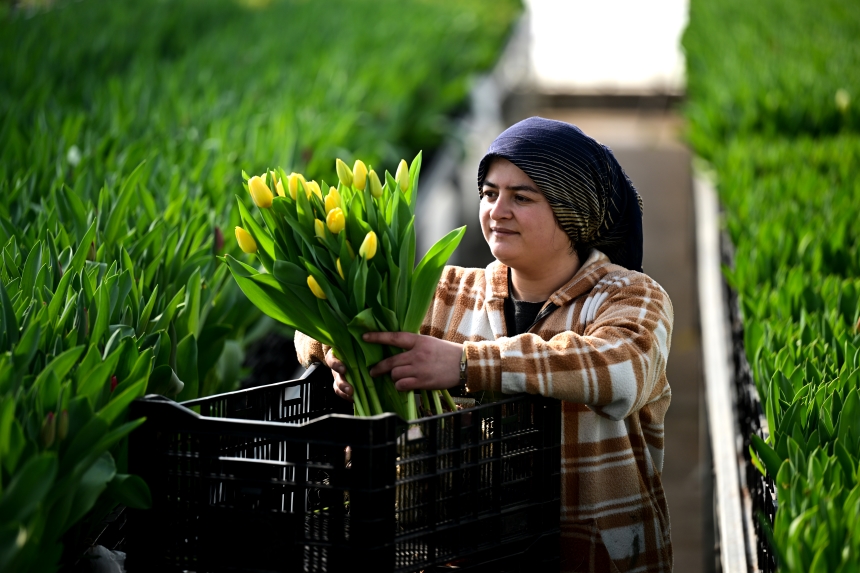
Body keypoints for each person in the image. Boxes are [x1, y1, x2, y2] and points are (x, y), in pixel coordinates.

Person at [295, 117, 674, 573]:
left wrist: (465, 364)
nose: (498, 210)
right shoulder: (444, 290)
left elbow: (620, 372)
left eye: (522, 197)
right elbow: (324, 321)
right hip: (460, 552)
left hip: (591, 552)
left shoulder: (630, 296)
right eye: (490, 193)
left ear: (570, 209)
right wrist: (341, 352)